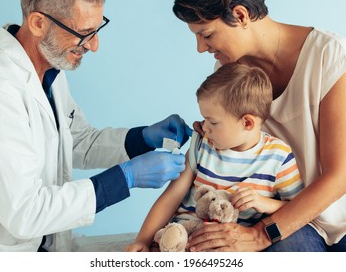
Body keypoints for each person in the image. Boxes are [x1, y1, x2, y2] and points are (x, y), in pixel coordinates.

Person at [0, 0, 192, 252]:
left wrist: (141, 138)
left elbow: (78, 141)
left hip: (50, 245)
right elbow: (25, 212)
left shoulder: (50, 71)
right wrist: (125, 178)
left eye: (97, 29)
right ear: (38, 23)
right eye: (84, 32)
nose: (94, 45)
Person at [172, 0, 346, 252]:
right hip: (279, 212)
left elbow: (339, 178)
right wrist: (214, 134)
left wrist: (261, 235)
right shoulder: (230, 74)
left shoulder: (329, 55)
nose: (201, 48)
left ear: (240, 15)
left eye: (206, 35)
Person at [126, 62, 304, 252]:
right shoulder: (202, 145)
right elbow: (171, 197)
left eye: (212, 122)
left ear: (247, 123)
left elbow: (298, 207)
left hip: (229, 246)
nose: (204, 127)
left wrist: (264, 203)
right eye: (204, 119)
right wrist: (143, 240)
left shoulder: (278, 157)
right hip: (182, 238)